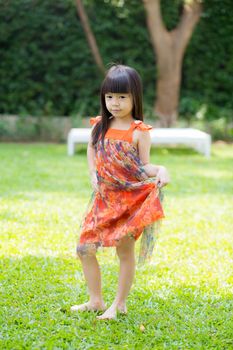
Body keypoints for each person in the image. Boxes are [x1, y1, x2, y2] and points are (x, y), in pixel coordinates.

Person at [71, 64, 170, 320]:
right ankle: (96, 300)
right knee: (84, 248)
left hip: (129, 201)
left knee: (123, 251)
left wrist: (161, 169)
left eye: (122, 96)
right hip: (104, 199)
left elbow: (144, 165)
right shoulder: (99, 126)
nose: (115, 103)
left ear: (134, 97)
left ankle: (120, 304)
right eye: (110, 97)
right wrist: (92, 173)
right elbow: (92, 150)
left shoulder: (139, 132)